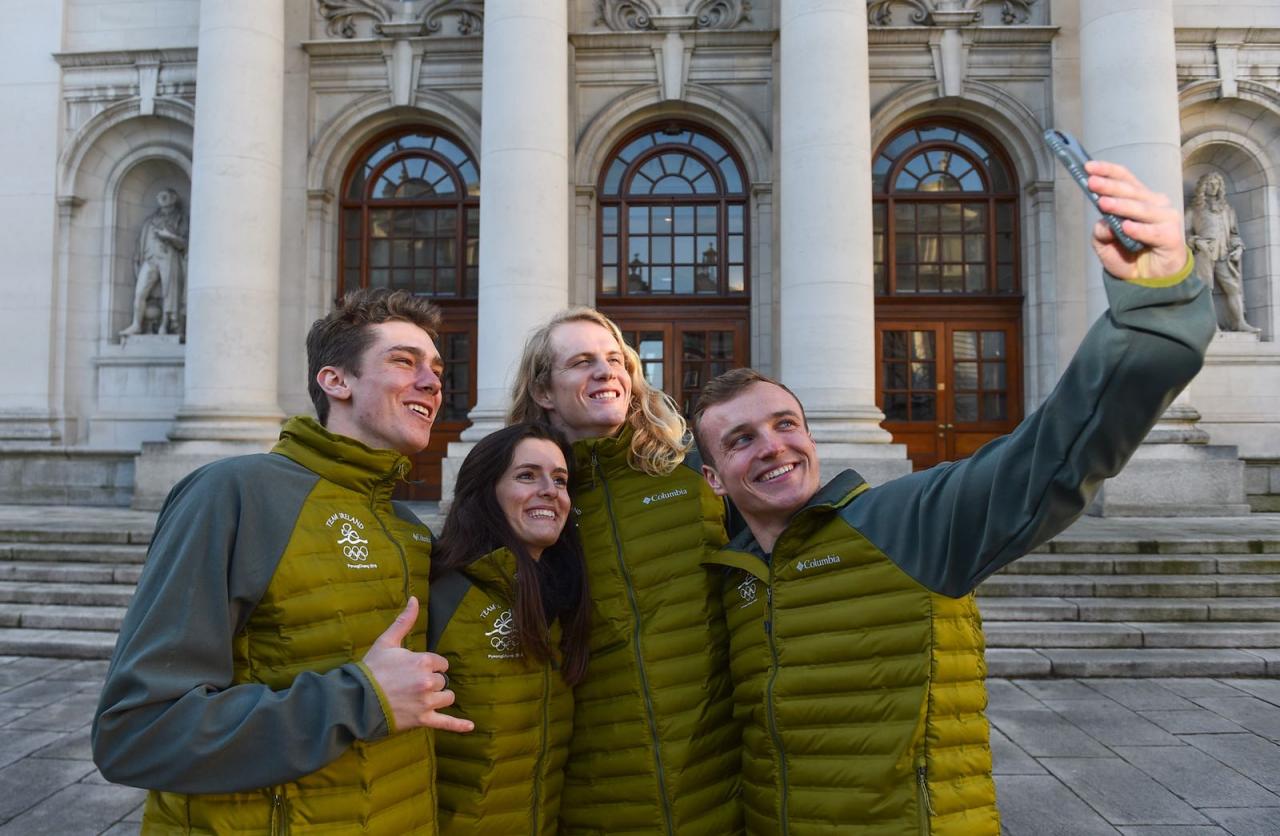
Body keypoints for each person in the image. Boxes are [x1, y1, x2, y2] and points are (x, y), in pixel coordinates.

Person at [690, 160, 1215, 834]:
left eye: (786, 425)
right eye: (741, 439)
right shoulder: (730, 580)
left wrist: (1157, 305)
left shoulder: (910, 522)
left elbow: (1057, 453)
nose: (773, 447)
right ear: (712, 476)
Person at [93, 288, 474, 835]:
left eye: (436, 368)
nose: (433, 381)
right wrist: (358, 699)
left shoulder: (408, 531)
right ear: (335, 381)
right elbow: (137, 733)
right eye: (402, 361)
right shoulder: (234, 493)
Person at [509, 308, 741, 834]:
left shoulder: (695, 478)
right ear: (544, 392)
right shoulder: (518, 502)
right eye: (582, 361)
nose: (605, 371)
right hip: (596, 792)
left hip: (717, 782)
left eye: (615, 359)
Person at [427, 422, 591, 834]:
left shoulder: (567, 599)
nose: (550, 490)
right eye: (526, 475)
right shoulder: (440, 594)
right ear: (486, 492)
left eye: (560, 479)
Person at [1187, 170, 1259, 332]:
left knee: (1233, 288)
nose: (1213, 187)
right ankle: (1211, 324)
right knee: (1206, 288)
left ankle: (1239, 322)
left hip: (1224, 253)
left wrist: (1238, 248)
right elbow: (1185, 234)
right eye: (1210, 184)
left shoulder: (1227, 210)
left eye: (1217, 184)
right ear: (1203, 187)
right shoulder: (1194, 209)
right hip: (1204, 253)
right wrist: (1198, 242)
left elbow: (1233, 234)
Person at [120, 187, 188, 338]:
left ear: (174, 199)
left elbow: (186, 243)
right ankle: (136, 324)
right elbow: (141, 244)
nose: (161, 198)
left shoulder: (180, 218)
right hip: (150, 260)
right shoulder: (150, 221)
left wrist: (169, 236)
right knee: (140, 292)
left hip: (170, 258)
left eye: (165, 196)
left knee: (169, 293)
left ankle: (166, 326)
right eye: (159, 196)